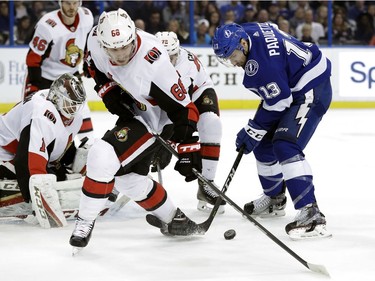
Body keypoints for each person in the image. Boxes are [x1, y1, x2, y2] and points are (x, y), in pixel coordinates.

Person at [69, 8, 202, 250]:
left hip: (157, 121)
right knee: (129, 180)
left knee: (102, 154)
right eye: (113, 48)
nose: (119, 54)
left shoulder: (154, 63)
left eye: (125, 47)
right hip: (135, 114)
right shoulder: (96, 41)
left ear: (133, 39)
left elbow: (184, 109)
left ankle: (84, 221)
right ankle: (175, 219)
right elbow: (93, 66)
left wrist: (189, 148)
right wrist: (108, 92)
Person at [212, 22, 332, 240]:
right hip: (292, 83)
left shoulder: (262, 66)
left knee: (285, 144)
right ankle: (275, 199)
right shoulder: (245, 31)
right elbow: (271, 26)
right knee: (264, 145)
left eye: (233, 56)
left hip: (311, 87)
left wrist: (252, 129)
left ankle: (312, 214)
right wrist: (256, 132)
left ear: (242, 43)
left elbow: (280, 101)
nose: (233, 62)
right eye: (227, 58)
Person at [0, 73, 88, 228]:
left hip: (18, 150)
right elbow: (26, 160)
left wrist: (71, 162)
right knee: (42, 176)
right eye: (69, 104)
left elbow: (58, 144)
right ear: (58, 99)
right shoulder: (41, 112)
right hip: (4, 152)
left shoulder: (70, 114)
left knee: (55, 174)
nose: (73, 110)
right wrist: (34, 200)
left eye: (76, 105)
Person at [155, 31, 225, 213]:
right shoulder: (148, 63)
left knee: (211, 123)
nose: (169, 61)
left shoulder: (185, 65)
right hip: (173, 100)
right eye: (165, 57)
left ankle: (207, 183)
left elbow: (182, 109)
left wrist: (182, 143)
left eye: (172, 56)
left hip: (198, 92)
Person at [23, 0, 95, 144]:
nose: (72, 7)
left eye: (75, 3)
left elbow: (88, 44)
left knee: (82, 117)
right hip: (44, 77)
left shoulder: (87, 17)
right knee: (32, 122)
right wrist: (36, 85)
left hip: (70, 77)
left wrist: (88, 65)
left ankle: (87, 151)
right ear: (60, 3)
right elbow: (33, 58)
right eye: (68, 3)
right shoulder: (47, 25)